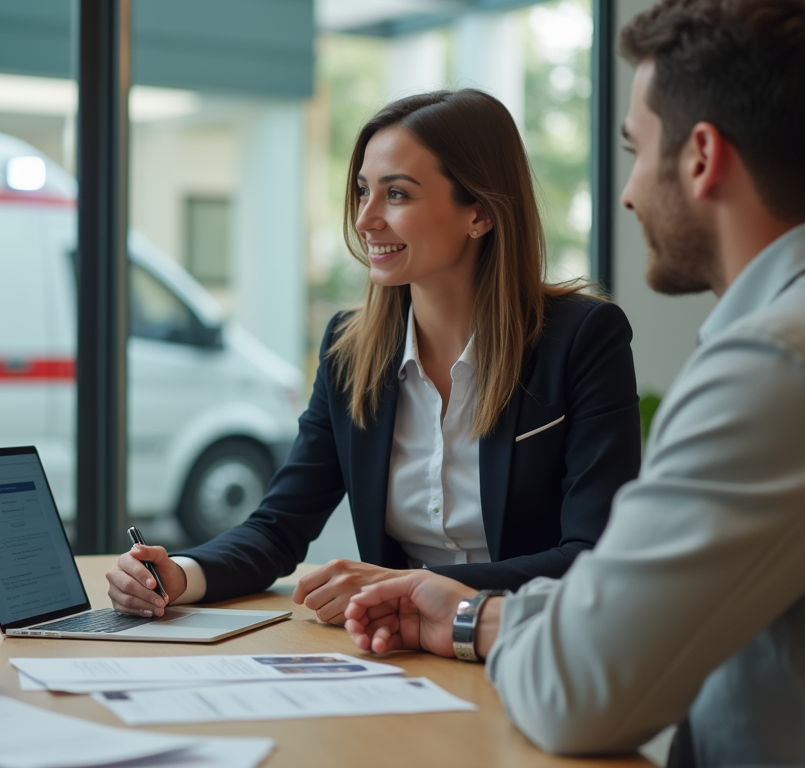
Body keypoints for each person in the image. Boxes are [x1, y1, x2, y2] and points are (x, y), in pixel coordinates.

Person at [342, 1, 805, 764]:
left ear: (700, 157)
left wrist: (469, 620)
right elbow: (630, 609)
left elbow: (577, 695)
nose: (626, 194)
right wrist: (473, 613)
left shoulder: (769, 368)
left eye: (634, 150)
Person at [108, 88, 642, 624]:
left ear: (478, 213)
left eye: (398, 195)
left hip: (530, 645)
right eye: (364, 191)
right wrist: (176, 574)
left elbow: (591, 556)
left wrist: (412, 587)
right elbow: (278, 526)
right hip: (395, 654)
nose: (366, 220)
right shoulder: (351, 351)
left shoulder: (582, 337)